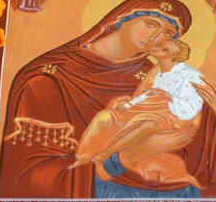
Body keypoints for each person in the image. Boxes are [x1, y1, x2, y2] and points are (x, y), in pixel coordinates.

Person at [0, 0, 216, 199]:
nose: (156, 37)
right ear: (121, 19)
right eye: (150, 24)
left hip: (156, 176)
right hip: (98, 186)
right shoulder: (47, 80)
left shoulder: (152, 72)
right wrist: (127, 157)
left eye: (168, 35)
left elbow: (191, 130)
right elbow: (31, 179)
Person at [67, 40, 205, 190]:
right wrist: (127, 103)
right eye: (159, 45)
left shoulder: (190, 75)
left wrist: (167, 95)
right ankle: (83, 159)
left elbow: (192, 106)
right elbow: (143, 97)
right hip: (144, 110)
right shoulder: (155, 71)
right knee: (105, 117)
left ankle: (104, 155)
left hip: (173, 116)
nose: (157, 49)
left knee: (147, 124)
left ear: (175, 55)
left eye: (164, 50)